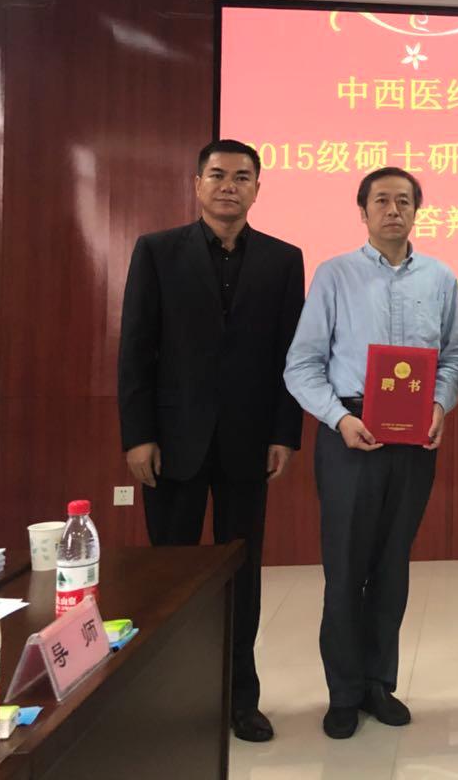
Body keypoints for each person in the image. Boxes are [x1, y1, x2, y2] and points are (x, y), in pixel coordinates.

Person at [117, 138, 304, 743]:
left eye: (242, 177)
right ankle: (168, 701)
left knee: (242, 576)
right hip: (172, 443)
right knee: (170, 575)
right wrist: (138, 435)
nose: (229, 185)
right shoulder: (156, 251)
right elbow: (136, 350)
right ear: (197, 184)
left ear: (257, 188)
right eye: (218, 175)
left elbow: (290, 355)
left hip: (249, 444)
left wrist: (284, 433)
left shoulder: (283, 259)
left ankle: (239, 699)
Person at [283, 167, 458, 740]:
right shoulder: (334, 275)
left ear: (417, 211)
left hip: (414, 439)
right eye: (381, 200)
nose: (393, 210)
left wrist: (440, 405)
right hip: (351, 432)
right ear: (362, 212)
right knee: (345, 567)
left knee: (392, 565)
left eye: (404, 201)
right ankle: (343, 693)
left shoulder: (440, 277)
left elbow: (454, 356)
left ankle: (378, 684)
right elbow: (302, 364)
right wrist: (340, 419)